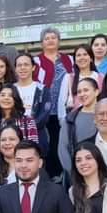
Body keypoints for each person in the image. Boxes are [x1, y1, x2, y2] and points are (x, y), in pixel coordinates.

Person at [33, 26, 73, 179]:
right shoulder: (36, 61)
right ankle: (47, 176)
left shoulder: (69, 59)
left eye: (53, 38)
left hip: (63, 110)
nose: (50, 41)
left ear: (59, 41)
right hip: (43, 111)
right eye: (47, 38)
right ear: (42, 42)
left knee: (61, 143)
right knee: (46, 144)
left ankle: (62, 176)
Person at [0, 84, 38, 168]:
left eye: (10, 95)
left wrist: (17, 163)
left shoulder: (27, 121)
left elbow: (33, 146)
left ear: (15, 99)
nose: (6, 98)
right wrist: (0, 165)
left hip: (22, 167)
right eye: (2, 95)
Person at [58, 77, 100, 174]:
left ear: (96, 92)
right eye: (79, 92)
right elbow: (63, 149)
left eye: (86, 90)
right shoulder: (70, 119)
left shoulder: (106, 115)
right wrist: (74, 173)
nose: (82, 94)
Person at [13, 51, 51, 155]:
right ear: (15, 69)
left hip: (38, 136)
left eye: (26, 64)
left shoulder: (42, 89)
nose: (22, 68)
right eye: (19, 65)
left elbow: (44, 115)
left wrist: (29, 128)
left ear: (33, 67)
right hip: (15, 137)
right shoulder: (10, 89)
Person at [58, 44, 103, 122]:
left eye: (85, 54)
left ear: (91, 58)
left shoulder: (100, 77)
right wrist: (63, 123)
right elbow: (61, 103)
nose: (82, 58)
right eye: (78, 55)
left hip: (97, 121)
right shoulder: (69, 78)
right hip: (75, 122)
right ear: (75, 60)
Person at [0, 124, 23, 192]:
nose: (7, 143)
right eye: (3, 140)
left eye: (12, 139)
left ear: (20, 141)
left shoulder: (29, 166)